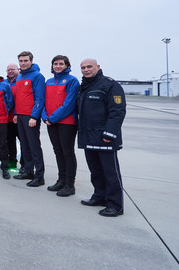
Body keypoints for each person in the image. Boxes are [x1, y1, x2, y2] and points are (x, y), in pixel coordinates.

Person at [77, 58, 126, 217]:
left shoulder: (110, 85)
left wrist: (109, 133)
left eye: (89, 66)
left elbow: (117, 111)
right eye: (83, 67)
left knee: (110, 173)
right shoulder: (84, 87)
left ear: (98, 67)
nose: (86, 69)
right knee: (95, 171)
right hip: (89, 137)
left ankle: (115, 205)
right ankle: (99, 196)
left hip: (105, 138)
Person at [42, 55, 80, 196]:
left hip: (67, 122)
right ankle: (61, 180)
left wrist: (52, 118)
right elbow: (44, 101)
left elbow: (68, 104)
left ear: (67, 65)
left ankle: (70, 185)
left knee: (67, 152)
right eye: (55, 64)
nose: (57, 66)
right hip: (51, 122)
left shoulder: (72, 81)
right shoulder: (49, 82)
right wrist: (45, 116)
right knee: (58, 151)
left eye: (60, 64)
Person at [12, 51, 46, 187]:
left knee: (34, 146)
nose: (23, 63)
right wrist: (15, 113)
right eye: (21, 61)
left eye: (26, 60)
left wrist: (34, 116)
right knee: (24, 145)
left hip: (30, 116)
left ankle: (39, 176)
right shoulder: (19, 77)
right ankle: (28, 171)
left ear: (31, 61)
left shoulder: (37, 76)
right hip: (20, 116)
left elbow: (40, 98)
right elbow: (18, 98)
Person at [5, 63, 23, 170]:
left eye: (13, 69)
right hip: (7, 118)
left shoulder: (21, 81)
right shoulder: (4, 83)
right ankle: (12, 162)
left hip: (20, 117)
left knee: (24, 143)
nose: (10, 71)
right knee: (10, 142)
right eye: (8, 70)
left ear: (18, 70)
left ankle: (24, 164)